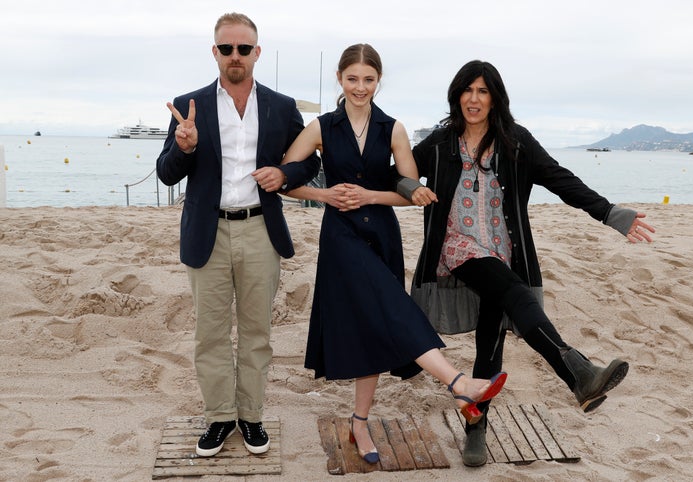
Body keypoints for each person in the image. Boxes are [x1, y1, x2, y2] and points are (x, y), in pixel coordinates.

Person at [395, 60, 656, 467]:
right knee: (514, 292)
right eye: (468, 90)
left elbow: (560, 179)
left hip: (505, 250)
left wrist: (611, 214)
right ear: (456, 95)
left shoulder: (516, 141)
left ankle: (476, 429)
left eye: (483, 91)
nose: (474, 99)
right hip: (459, 248)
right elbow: (399, 171)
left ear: (495, 97)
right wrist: (410, 186)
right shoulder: (441, 143)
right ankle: (578, 372)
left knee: (492, 337)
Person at [274, 44, 507, 465]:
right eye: (352, 79)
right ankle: (458, 383)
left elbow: (408, 192)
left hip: (382, 233)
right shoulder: (322, 126)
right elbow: (286, 178)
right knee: (392, 307)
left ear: (378, 81)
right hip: (341, 237)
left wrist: (370, 195)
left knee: (376, 325)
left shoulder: (394, 128)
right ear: (340, 80)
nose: (360, 87)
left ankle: (360, 421)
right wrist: (324, 194)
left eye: (368, 79)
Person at [156, 13, 320, 458]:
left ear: (256, 53)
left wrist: (284, 172)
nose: (235, 56)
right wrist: (183, 146)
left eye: (243, 49)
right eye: (226, 48)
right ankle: (219, 417)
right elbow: (167, 175)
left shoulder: (283, 107)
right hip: (207, 233)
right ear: (215, 52)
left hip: (260, 230)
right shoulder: (188, 104)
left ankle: (250, 416)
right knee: (209, 334)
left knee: (256, 332)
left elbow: (309, 164)